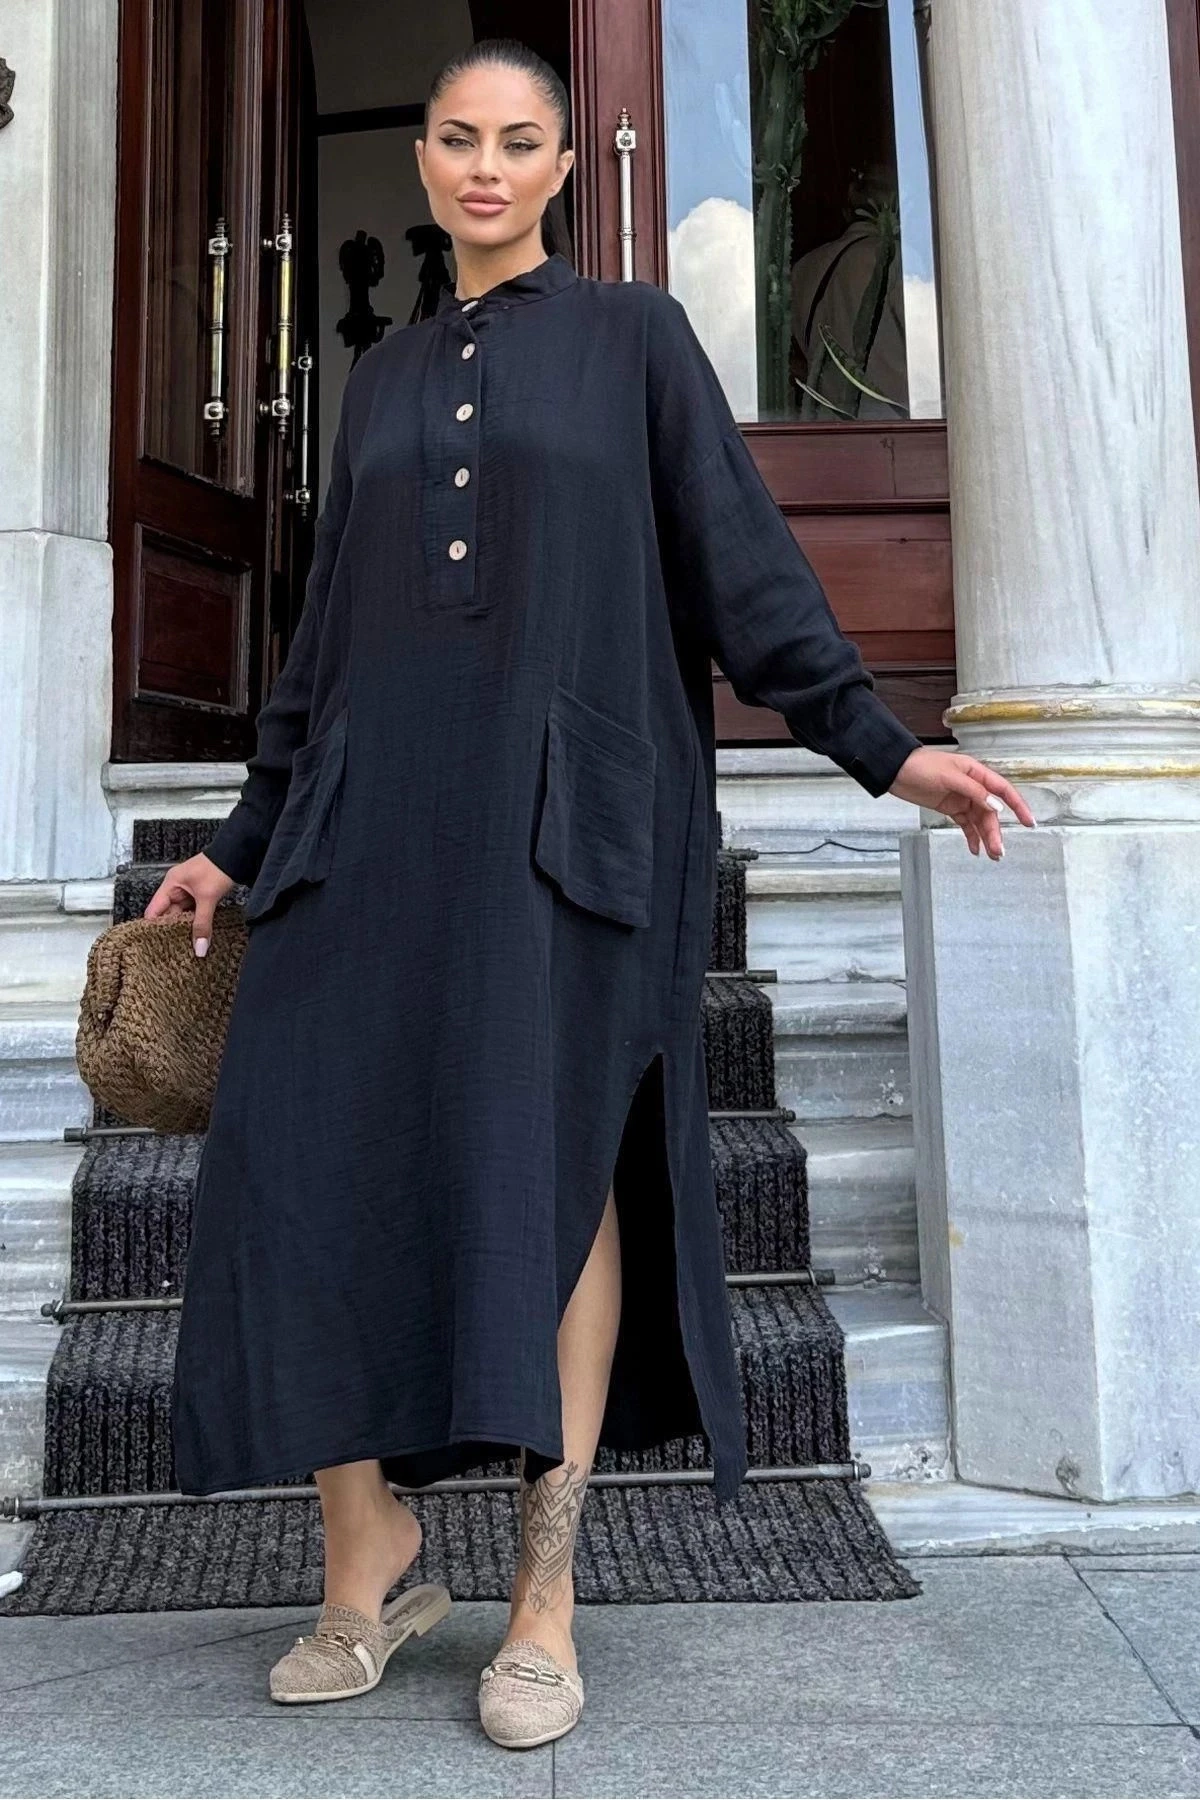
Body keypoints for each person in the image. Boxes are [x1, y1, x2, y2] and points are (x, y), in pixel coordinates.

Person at [146, 37, 1034, 1752]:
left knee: (555, 1166)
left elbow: (744, 567)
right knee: (302, 1148)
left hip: (559, 824)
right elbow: (322, 638)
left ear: (569, 166)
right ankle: (368, 1553)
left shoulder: (637, 339)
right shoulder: (382, 381)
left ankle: (544, 1598)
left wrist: (881, 748)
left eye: (519, 141)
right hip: (363, 822)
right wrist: (243, 837)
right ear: (424, 161)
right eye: (457, 138)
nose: (486, 166)